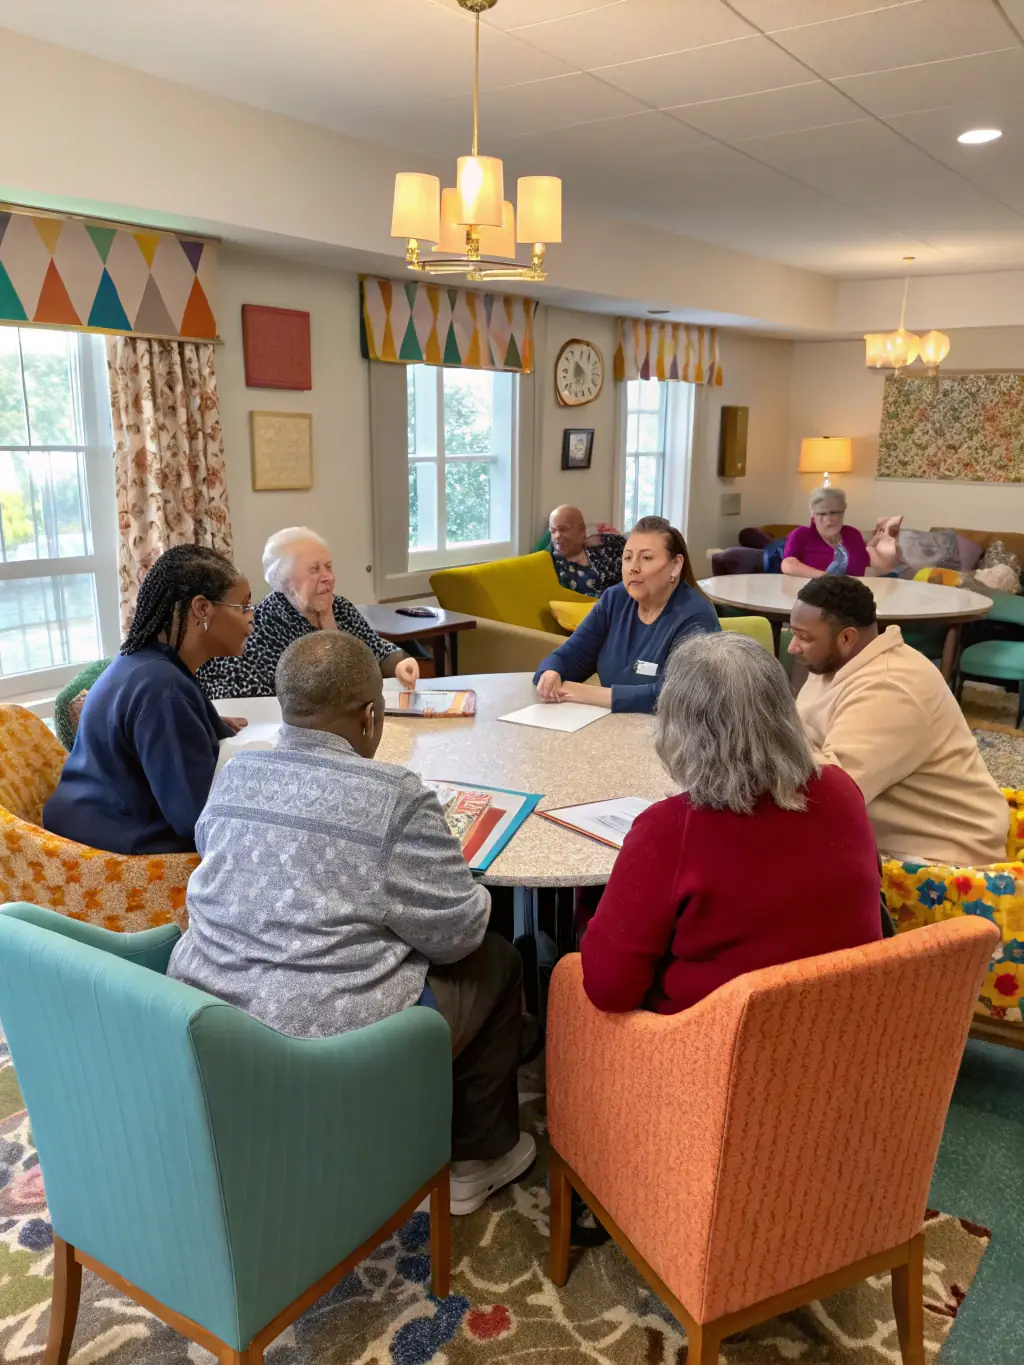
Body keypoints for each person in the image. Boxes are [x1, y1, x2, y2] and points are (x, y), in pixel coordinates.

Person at [169, 631, 536, 1215]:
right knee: (497, 958)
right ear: (370, 715)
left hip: (207, 1020)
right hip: (323, 1045)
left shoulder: (234, 773)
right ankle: (475, 1161)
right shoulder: (395, 795)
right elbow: (458, 933)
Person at [580, 632, 882, 1014]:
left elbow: (609, 990)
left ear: (677, 726)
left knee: (572, 971)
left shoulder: (669, 829)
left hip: (718, 1051)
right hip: (847, 1028)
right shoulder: (841, 790)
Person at [43, 545, 253, 855]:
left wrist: (203, 725)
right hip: (116, 847)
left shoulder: (146, 662)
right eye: (243, 606)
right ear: (202, 608)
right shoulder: (163, 690)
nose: (252, 619)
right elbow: (196, 820)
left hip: (89, 816)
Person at [790, 575, 1009, 866]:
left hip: (944, 856)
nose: (792, 647)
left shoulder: (888, 688)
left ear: (847, 638)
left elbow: (833, 795)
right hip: (900, 840)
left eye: (803, 637)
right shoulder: (837, 665)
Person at [198, 526, 420, 698]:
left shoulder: (340, 608)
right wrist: (331, 639)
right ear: (283, 580)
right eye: (315, 569)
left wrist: (400, 664)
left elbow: (378, 650)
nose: (328, 577)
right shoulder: (260, 625)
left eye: (329, 566)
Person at [533, 516, 719, 714]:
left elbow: (674, 694)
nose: (633, 568)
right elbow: (574, 654)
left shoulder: (697, 616)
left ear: (676, 565)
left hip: (671, 736)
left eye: (646, 558)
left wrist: (581, 693)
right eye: (628, 557)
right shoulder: (615, 599)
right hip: (612, 728)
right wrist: (551, 672)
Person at [782, 486, 902, 578]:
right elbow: (788, 565)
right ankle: (881, 533)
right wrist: (828, 578)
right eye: (822, 514)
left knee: (886, 563)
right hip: (808, 597)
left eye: (834, 512)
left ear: (843, 510)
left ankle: (884, 534)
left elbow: (861, 572)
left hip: (846, 600)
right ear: (812, 515)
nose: (829, 520)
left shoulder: (852, 535)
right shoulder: (801, 534)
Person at [547, 505, 625, 597]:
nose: (557, 536)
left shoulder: (609, 544)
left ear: (582, 529)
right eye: (552, 531)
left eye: (563, 529)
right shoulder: (549, 562)